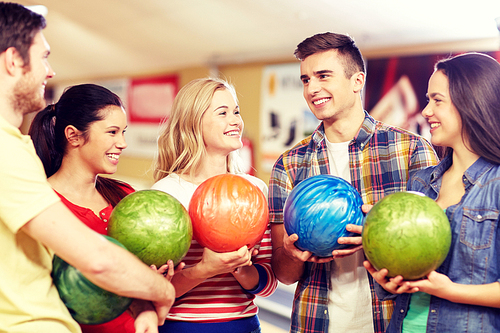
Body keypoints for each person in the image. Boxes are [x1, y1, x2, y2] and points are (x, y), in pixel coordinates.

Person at [0, 3, 175, 332]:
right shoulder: (4, 150)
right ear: (13, 61)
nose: (50, 71)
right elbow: (96, 260)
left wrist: (142, 301)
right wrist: (162, 292)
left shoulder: (15, 146)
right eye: (43, 56)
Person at [268, 32, 439, 333]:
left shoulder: (411, 150)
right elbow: (284, 273)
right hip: (315, 323)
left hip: (391, 321)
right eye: (306, 80)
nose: (312, 88)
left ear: (357, 81)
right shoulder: (290, 164)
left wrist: (380, 235)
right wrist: (292, 253)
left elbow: (435, 251)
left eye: (323, 76)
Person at [365, 52, 500, 332]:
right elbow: (409, 276)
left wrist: (450, 290)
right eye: (428, 100)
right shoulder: (421, 182)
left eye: (437, 100)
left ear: (472, 102)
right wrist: (389, 280)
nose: (426, 111)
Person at [29, 83, 177, 333]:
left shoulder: (125, 197)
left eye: (124, 132)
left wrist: (153, 282)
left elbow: (146, 295)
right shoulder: (42, 206)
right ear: (74, 135)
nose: (123, 143)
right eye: (112, 132)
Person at [151, 77, 278, 333]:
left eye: (236, 112)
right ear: (193, 122)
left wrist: (241, 269)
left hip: (244, 325)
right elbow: (153, 291)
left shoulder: (255, 190)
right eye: (223, 113)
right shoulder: (167, 193)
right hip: (181, 328)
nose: (236, 121)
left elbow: (268, 284)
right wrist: (205, 270)